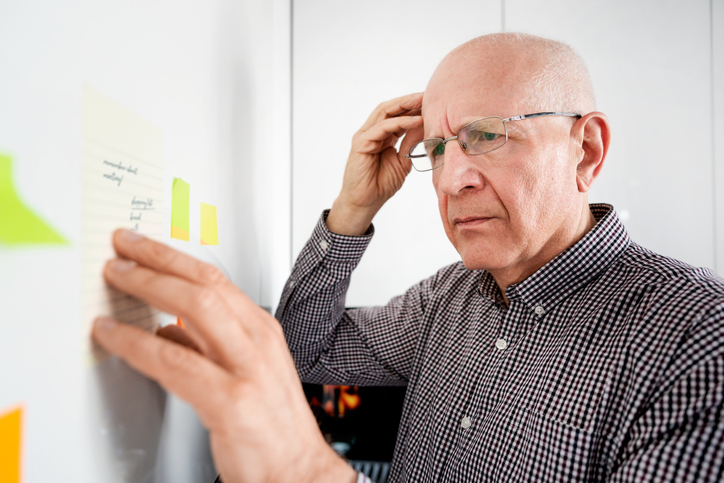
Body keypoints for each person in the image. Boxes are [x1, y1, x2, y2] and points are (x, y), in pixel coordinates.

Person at [92, 33, 724, 482]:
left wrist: (306, 473)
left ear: (585, 151)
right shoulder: (446, 299)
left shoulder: (698, 340)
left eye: (487, 135)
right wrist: (351, 211)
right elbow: (306, 351)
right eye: (440, 148)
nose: (452, 181)